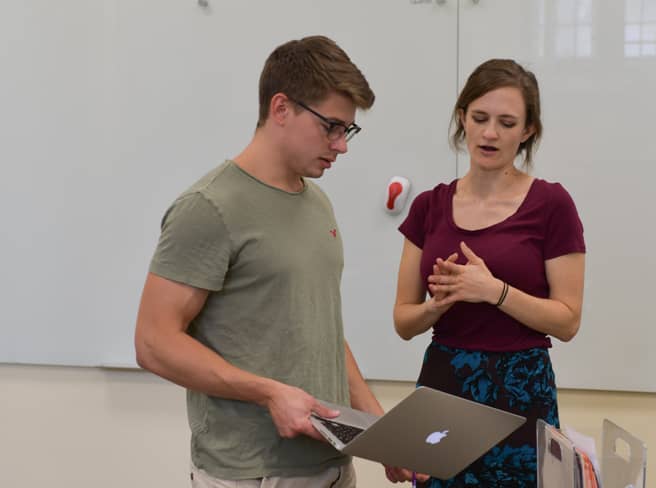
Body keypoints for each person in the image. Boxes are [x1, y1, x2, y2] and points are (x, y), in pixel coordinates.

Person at [135, 35, 415, 487]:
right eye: (332, 126)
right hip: (253, 474)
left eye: (349, 130)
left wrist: (380, 430)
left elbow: (320, 329)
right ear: (281, 108)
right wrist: (267, 393)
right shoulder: (209, 207)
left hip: (331, 465)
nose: (341, 145)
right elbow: (153, 342)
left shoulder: (317, 201)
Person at [393, 59, 586, 487]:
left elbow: (568, 321)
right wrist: (438, 306)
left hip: (521, 389)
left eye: (506, 122)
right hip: (444, 384)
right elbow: (404, 321)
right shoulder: (429, 205)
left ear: (528, 130)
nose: (490, 133)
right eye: (479, 118)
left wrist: (494, 291)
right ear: (462, 118)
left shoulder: (551, 204)